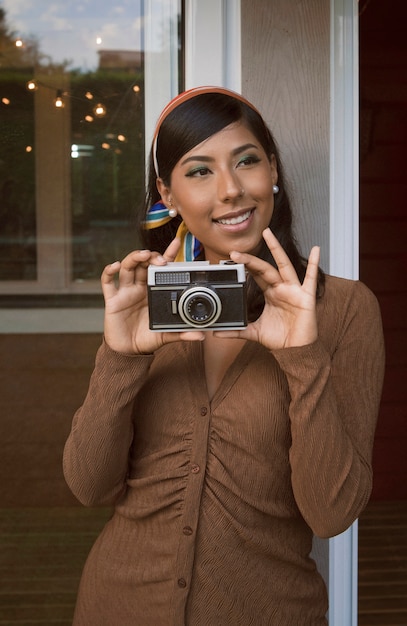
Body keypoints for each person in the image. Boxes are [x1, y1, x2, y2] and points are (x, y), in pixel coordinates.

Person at [63, 86, 385, 625]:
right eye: (199, 171)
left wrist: (302, 357)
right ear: (167, 192)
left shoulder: (344, 309)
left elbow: (331, 513)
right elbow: (90, 486)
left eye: (246, 161)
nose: (231, 190)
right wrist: (121, 359)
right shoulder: (146, 305)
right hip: (117, 605)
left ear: (273, 170)